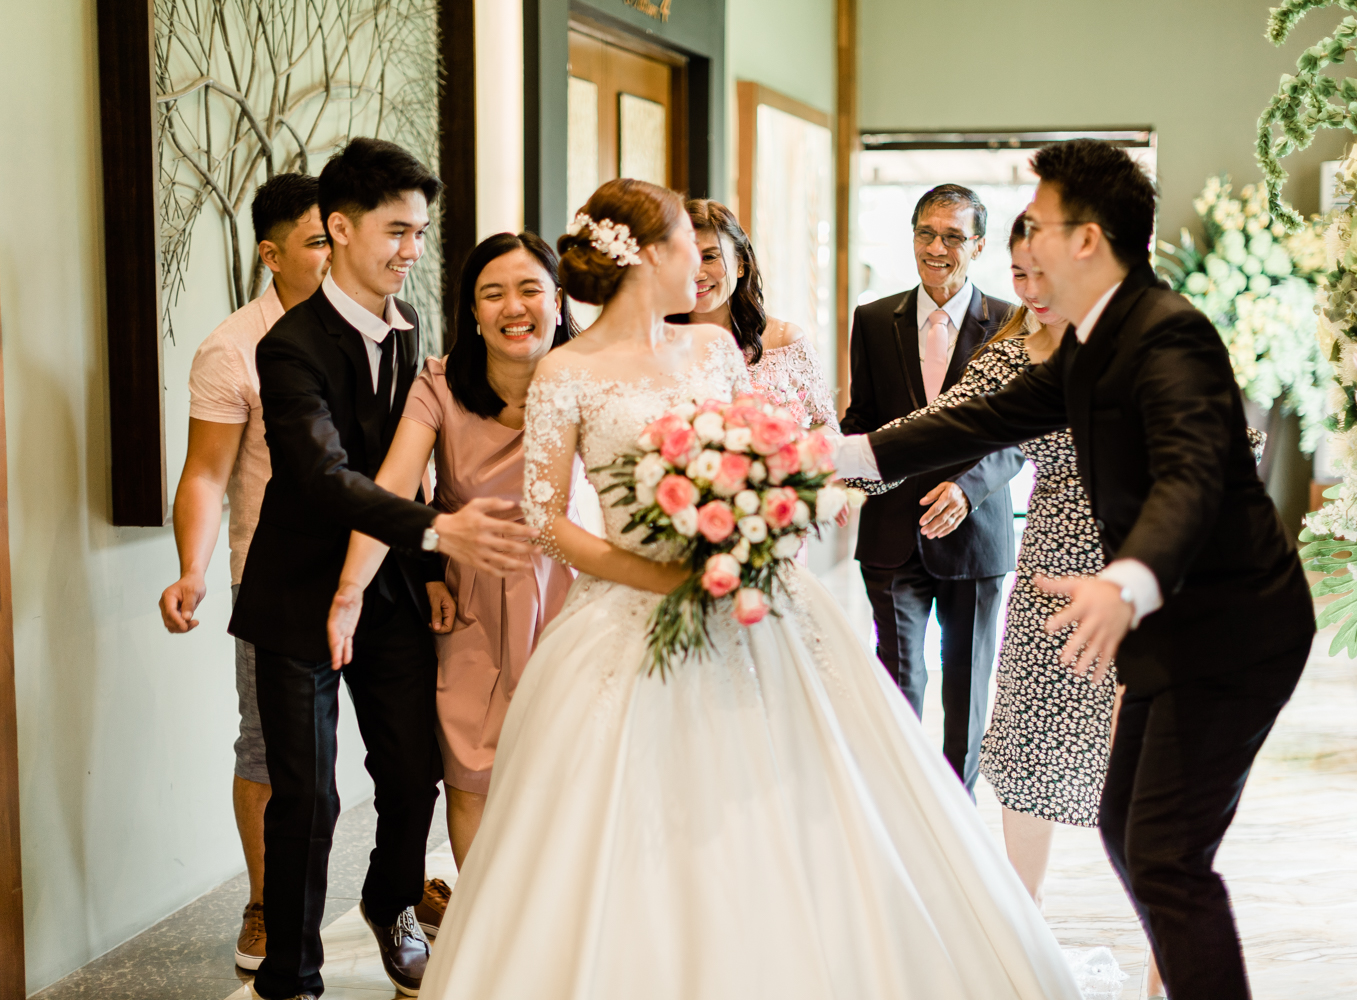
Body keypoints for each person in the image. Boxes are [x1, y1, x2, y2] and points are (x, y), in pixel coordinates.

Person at [418, 177, 1083, 1000]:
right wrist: (664, 574)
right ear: (647, 257)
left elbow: (765, 459)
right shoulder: (565, 371)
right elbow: (547, 520)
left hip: (752, 599)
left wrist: (762, 525)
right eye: (682, 247)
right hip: (627, 614)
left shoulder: (713, 351)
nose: (697, 265)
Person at [834, 140, 1316, 1000]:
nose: (1026, 240)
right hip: (1160, 622)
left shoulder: (1169, 334)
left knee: (1166, 857)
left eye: (1041, 222)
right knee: (1132, 833)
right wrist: (831, 456)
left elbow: (1191, 479)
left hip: (1229, 630)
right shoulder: (1088, 344)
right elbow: (969, 420)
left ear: (1086, 239)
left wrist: (1125, 582)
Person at [228, 138, 539, 1000]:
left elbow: (414, 462)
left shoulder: (409, 333)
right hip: (296, 595)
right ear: (339, 228)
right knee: (308, 795)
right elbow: (323, 478)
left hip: (393, 591)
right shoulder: (288, 348)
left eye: (420, 232)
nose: (412, 250)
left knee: (411, 773)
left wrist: (427, 567)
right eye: (397, 231)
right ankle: (292, 976)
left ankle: (391, 901)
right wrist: (441, 534)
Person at [326, 232, 577, 884]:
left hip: (575, 594)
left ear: (558, 300)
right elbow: (390, 491)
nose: (513, 307)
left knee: (574, 769)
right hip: (473, 598)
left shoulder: (593, 379)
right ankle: (493, 924)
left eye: (529, 289)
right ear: (472, 311)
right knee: (472, 773)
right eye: (493, 294)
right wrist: (351, 590)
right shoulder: (437, 386)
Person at [157, 173, 331, 972]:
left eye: (338, 236)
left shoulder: (384, 323)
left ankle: (396, 891)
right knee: (268, 748)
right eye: (317, 241)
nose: (334, 254)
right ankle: (265, 904)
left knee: (406, 746)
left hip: (377, 568)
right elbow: (205, 473)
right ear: (271, 254)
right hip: (276, 578)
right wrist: (191, 569)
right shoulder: (233, 348)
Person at [838, 183, 1025, 796]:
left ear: (979, 245)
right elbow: (862, 419)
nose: (936, 248)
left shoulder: (1014, 323)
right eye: (926, 233)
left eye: (953, 237)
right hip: (892, 533)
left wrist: (968, 489)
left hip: (976, 535)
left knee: (966, 688)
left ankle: (957, 815)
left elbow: (1024, 433)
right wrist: (833, 465)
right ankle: (900, 808)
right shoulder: (873, 319)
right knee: (898, 680)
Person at [669, 199, 837, 428]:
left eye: (709, 257)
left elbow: (827, 428)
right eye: (685, 260)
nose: (697, 274)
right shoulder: (656, 345)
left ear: (740, 264)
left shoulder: (785, 341)